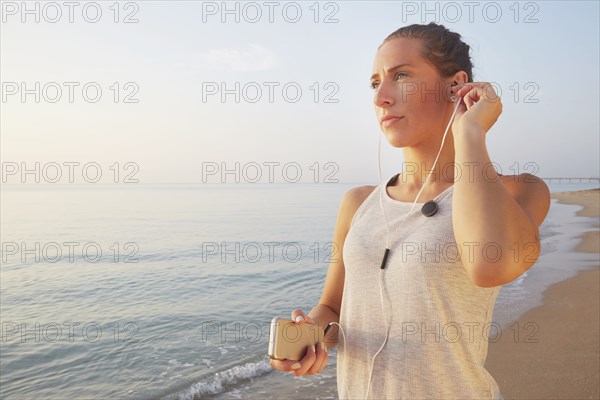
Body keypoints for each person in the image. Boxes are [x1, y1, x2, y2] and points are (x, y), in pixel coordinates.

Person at [270, 22, 551, 399]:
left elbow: (492, 265)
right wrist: (311, 336)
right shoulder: (358, 203)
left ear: (457, 85)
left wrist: (469, 133)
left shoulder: (519, 190)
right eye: (375, 83)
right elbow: (333, 308)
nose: (381, 97)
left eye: (400, 76)